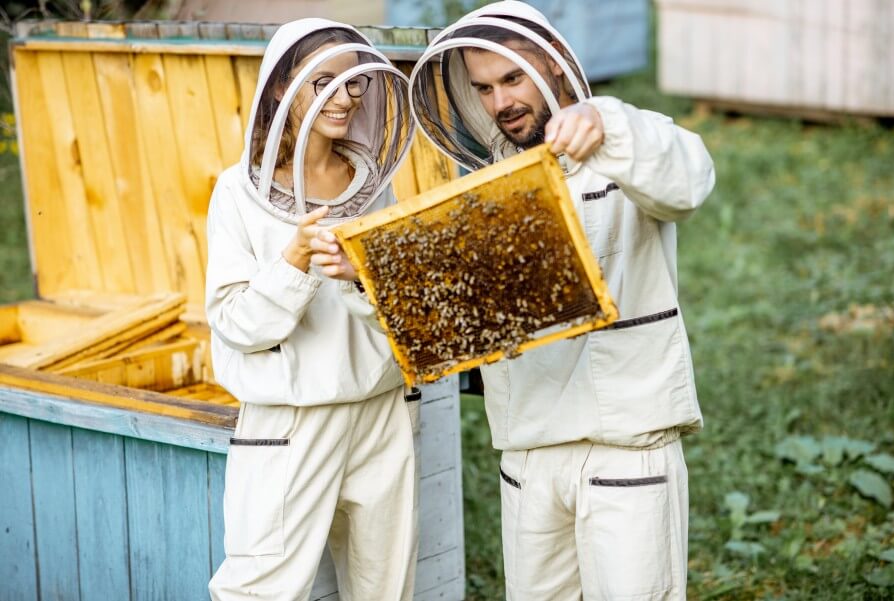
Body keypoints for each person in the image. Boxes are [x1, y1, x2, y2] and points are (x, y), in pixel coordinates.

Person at [408, 2, 716, 599]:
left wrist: (607, 124)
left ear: (552, 64)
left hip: (626, 442)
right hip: (529, 446)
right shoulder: (484, 183)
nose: (501, 103)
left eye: (512, 79)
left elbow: (690, 179)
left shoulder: (626, 137)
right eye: (484, 88)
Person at [205, 18, 418, 601]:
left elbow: (403, 308)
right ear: (279, 88)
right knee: (261, 589)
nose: (343, 98)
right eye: (323, 82)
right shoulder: (237, 193)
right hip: (292, 421)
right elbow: (234, 323)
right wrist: (294, 260)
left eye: (353, 84)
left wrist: (365, 276)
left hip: (381, 412)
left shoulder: (374, 188)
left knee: (385, 587)